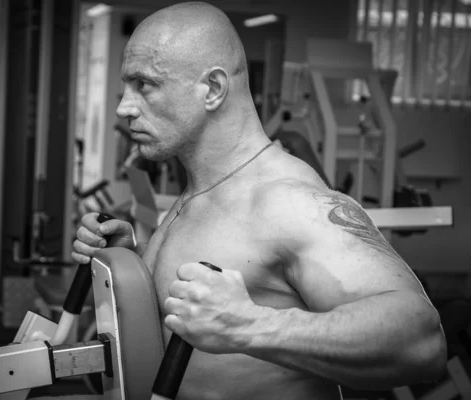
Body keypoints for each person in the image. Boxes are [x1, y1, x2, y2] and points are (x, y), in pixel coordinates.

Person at [71, 2, 447, 399]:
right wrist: (135, 260)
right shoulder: (203, 189)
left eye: (143, 85)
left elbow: (421, 340)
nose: (123, 107)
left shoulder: (288, 203)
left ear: (213, 89)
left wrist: (250, 326)